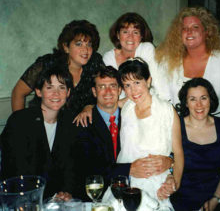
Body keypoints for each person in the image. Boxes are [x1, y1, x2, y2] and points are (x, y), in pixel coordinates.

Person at [72, 65, 174, 201]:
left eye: (113, 86)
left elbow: (160, 144)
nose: (108, 91)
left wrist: (170, 163)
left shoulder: (132, 115)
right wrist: (127, 169)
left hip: (141, 190)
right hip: (98, 198)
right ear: (94, 92)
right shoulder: (83, 123)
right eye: (102, 87)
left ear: (120, 90)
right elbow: (85, 170)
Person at [102, 58, 184, 210]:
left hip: (156, 183)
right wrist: (87, 107)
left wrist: (175, 182)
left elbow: (178, 153)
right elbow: (102, 106)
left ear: (148, 81)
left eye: (137, 82)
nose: (133, 91)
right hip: (125, 181)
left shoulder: (167, 110)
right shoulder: (126, 106)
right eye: (127, 85)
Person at [155, 6, 220, 117]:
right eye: (184, 28)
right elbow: (161, 100)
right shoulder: (168, 62)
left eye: (195, 27)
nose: (189, 31)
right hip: (179, 129)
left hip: (216, 130)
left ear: (207, 32)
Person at [1, 66, 77, 200]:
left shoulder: (70, 123)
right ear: (38, 92)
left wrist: (65, 192)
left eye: (61, 87)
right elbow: (17, 171)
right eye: (49, 88)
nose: (56, 93)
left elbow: (70, 168)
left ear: (68, 92)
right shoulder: (20, 121)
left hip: (53, 201)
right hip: (19, 198)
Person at [11, 20, 104, 116]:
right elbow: (18, 93)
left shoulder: (95, 64)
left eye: (89, 44)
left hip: (78, 128)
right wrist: (20, 125)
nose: (85, 50)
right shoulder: (47, 64)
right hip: (42, 124)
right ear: (66, 47)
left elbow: (105, 94)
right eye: (79, 44)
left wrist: (90, 106)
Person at [170, 78, 220, 211]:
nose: (199, 105)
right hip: (181, 200)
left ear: (210, 100)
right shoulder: (175, 127)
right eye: (193, 99)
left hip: (218, 197)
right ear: (186, 103)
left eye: (203, 98)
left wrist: (215, 200)